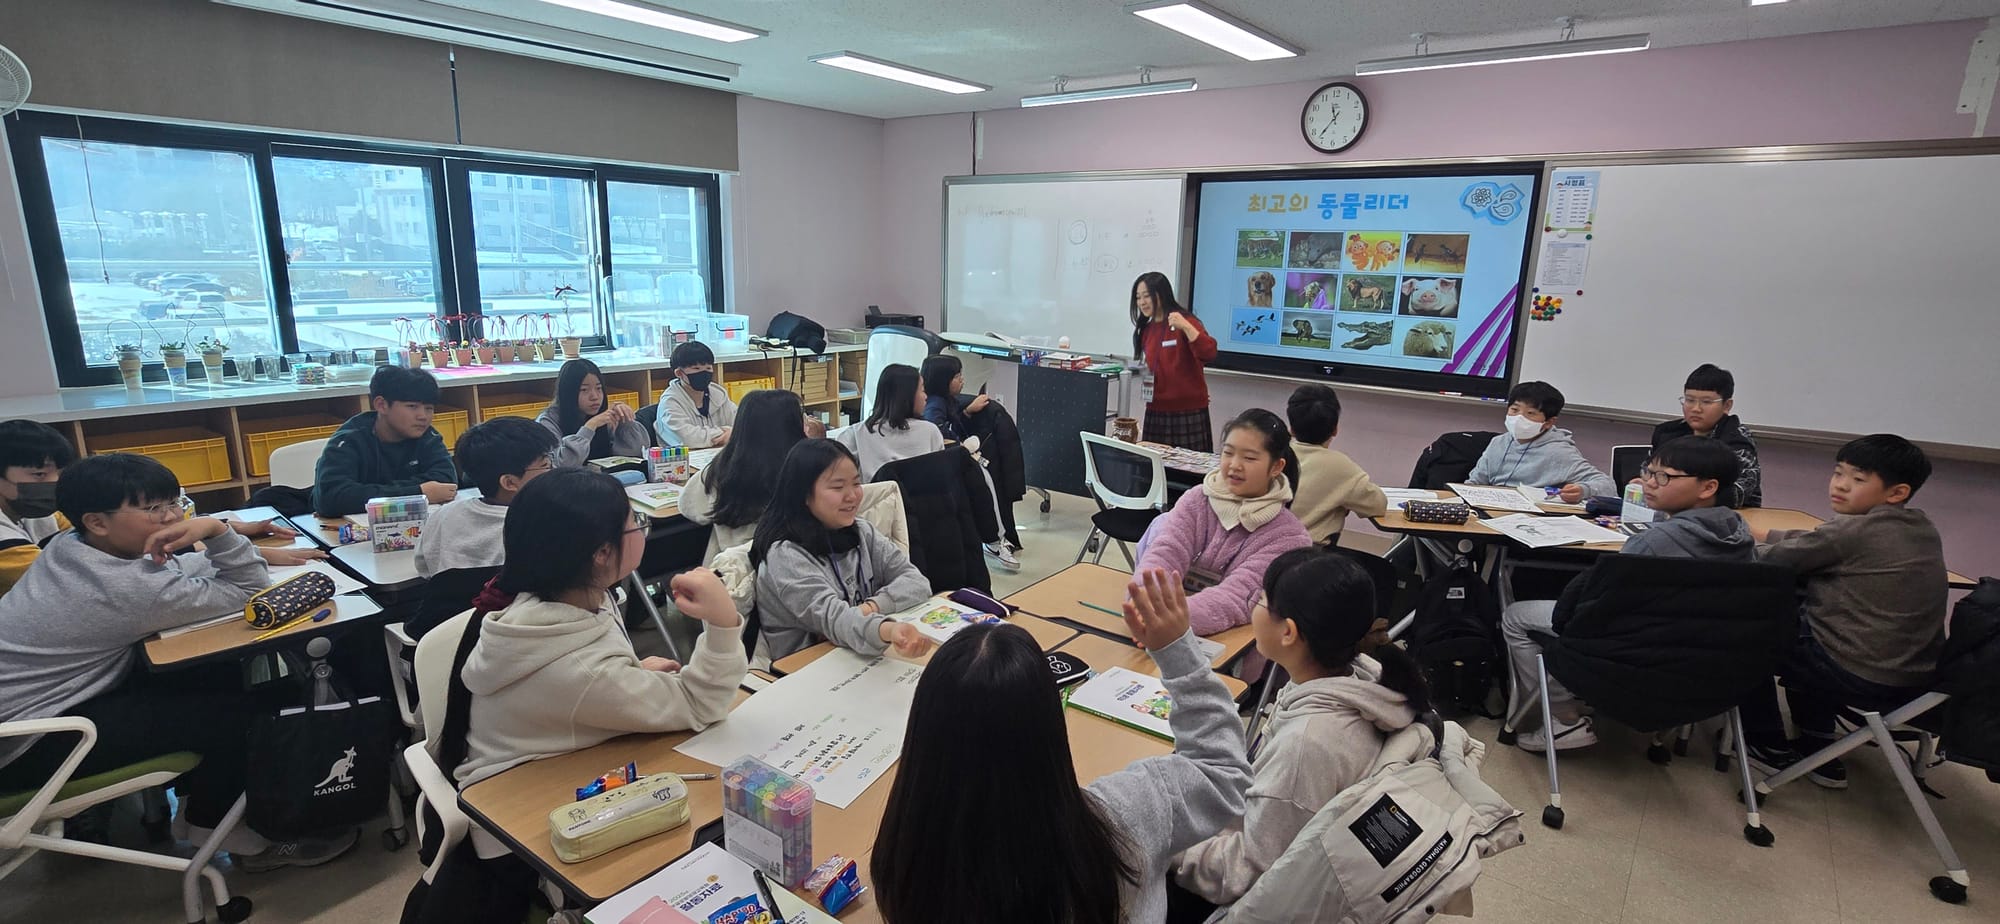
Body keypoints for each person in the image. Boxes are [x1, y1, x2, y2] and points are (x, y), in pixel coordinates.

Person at [403, 468, 749, 923]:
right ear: (602, 554)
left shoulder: (552, 600)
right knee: (716, 838)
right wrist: (723, 624)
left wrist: (625, 676)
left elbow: (577, 683)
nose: (641, 530)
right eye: (635, 524)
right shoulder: (582, 667)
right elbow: (702, 703)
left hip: (541, 766)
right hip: (525, 832)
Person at [0, 454, 355, 869]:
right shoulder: (129, 592)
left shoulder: (71, 545)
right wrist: (219, 532)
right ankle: (222, 830)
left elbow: (160, 565)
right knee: (247, 711)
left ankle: (201, 806)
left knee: (212, 672)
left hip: (27, 713)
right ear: (97, 520)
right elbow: (248, 588)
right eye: (155, 509)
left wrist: (238, 550)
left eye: (174, 503)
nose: (172, 517)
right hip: (29, 746)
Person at [870, 569, 1252, 924]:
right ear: (1050, 721)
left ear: (923, 736)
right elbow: (1223, 772)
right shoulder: (1127, 816)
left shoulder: (903, 856)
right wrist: (1178, 654)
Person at [1172, 547, 1430, 909]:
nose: (1254, 607)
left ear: (1289, 632)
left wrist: (1171, 846)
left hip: (1232, 897)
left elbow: (1243, 875)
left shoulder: (1307, 746)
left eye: (1261, 599)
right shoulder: (1360, 678)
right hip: (1259, 830)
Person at [1501, 437, 1755, 752]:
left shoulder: (1652, 543)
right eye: (1649, 472)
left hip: (1634, 656)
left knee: (1515, 616)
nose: (1649, 483)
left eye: (1664, 477)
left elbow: (1592, 612)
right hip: (1701, 660)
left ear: (1707, 487)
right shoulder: (1740, 534)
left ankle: (1561, 719)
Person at [1742, 434, 1947, 788]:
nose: (1840, 485)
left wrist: (1725, 538)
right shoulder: (1921, 527)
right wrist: (1771, 532)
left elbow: (1768, 560)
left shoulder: (1855, 531)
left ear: (1896, 492)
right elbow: (1819, 542)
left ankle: (1766, 742)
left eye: (1858, 479)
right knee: (1806, 620)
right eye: (1839, 473)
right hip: (1915, 680)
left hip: (1859, 673)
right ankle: (1816, 743)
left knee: (1746, 632)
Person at [1134, 409, 1312, 647]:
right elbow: (1163, 554)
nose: (1234, 465)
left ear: (1276, 466)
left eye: (1249, 458)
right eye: (1228, 453)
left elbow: (1238, 597)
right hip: (1159, 629)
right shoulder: (1197, 499)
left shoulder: (1290, 536)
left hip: (1229, 648)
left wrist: (1167, 621)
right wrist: (1144, 605)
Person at [750, 439, 934, 662]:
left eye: (856, 484)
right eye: (838, 487)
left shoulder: (861, 531)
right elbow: (834, 619)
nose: (852, 496)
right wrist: (888, 630)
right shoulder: (786, 554)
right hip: (806, 668)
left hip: (856, 653)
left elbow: (917, 582)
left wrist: (871, 607)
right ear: (804, 494)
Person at [415, 417, 558, 580]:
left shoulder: (442, 515)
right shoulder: (536, 528)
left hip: (451, 604)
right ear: (509, 482)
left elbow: (423, 567)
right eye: (546, 465)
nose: (553, 471)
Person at [678, 389, 809, 560]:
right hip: (789, 563)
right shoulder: (803, 466)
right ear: (793, 426)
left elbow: (687, 505)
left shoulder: (722, 467)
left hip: (731, 570)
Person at [314, 365, 458, 517]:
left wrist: (370, 492)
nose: (423, 416)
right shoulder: (349, 440)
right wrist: (418, 492)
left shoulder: (428, 437)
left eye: (429, 408)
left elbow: (446, 482)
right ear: (381, 405)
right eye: (412, 406)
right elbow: (331, 499)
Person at [921, 353, 1025, 560]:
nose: (962, 380)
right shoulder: (934, 406)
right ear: (943, 381)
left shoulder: (946, 401)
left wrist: (966, 412)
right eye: (957, 376)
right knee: (985, 481)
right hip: (946, 464)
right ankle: (995, 540)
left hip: (956, 458)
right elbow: (937, 431)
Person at [1466, 381, 1616, 502]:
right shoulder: (1498, 443)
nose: (1519, 417)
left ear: (1549, 422)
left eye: (1530, 413)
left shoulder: (1559, 452)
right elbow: (1475, 483)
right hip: (1489, 512)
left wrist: (1583, 490)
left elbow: (1608, 485)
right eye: (1514, 409)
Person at [1283, 384, 1387, 544]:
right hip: (1311, 556)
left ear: (1291, 429)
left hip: (1263, 550)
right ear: (1335, 429)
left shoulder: (1273, 454)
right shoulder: (1342, 467)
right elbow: (1378, 505)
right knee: (1385, 567)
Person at [1649, 363, 1763, 508]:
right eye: (1690, 400)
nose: (1696, 409)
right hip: (1669, 511)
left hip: (1728, 518)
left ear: (1727, 405)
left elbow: (1735, 494)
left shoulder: (1737, 441)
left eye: (1706, 402)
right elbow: (1648, 472)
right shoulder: (1667, 433)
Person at [1131, 272, 1219, 451]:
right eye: (1138, 297)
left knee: (1189, 472)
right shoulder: (1146, 330)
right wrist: (1127, 368)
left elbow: (1209, 352)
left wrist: (1186, 326)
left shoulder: (1184, 321)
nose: (1142, 302)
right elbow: (1152, 368)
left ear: (1161, 294)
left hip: (1188, 411)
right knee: (1155, 469)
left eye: (1147, 296)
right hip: (1156, 410)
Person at [0, 419, 77, 596]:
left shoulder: (38, 512)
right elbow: (61, 583)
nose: (54, 482)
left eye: (58, 472)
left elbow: (89, 545)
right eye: (39, 474)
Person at [836, 364, 945, 482]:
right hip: (921, 499)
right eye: (923, 390)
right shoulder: (930, 431)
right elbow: (941, 476)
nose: (926, 397)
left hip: (876, 499)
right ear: (906, 396)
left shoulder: (855, 433)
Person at [537, 359, 649, 468]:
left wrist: (625, 421)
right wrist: (590, 427)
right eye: (584, 390)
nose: (595, 397)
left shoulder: (604, 415)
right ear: (568, 393)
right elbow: (562, 465)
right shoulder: (547, 421)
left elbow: (636, 454)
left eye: (599, 388)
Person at [657, 340, 736, 449]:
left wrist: (734, 433)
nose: (704, 373)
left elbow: (742, 424)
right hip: (682, 461)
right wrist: (726, 432)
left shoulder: (719, 395)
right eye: (696, 368)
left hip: (719, 456)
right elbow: (686, 439)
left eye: (708, 368)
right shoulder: (670, 402)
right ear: (679, 373)